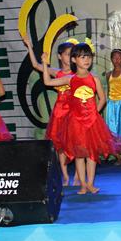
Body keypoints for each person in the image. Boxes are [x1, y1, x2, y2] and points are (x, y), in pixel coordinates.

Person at [42, 40, 121, 195]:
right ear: (74, 59)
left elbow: (102, 99)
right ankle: (83, 185)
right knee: (79, 155)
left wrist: (94, 113)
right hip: (76, 123)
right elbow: (47, 81)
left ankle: (90, 184)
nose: (87, 60)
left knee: (92, 154)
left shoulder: (94, 79)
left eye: (89, 57)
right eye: (82, 57)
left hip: (92, 122)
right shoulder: (70, 79)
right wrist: (45, 64)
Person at [24, 36, 76, 184]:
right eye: (67, 54)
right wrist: (29, 46)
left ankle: (79, 174)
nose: (69, 57)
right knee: (60, 145)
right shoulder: (57, 72)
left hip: (74, 111)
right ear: (60, 56)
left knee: (77, 142)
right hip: (60, 112)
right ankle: (65, 175)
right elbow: (36, 65)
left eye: (72, 54)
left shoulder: (77, 74)